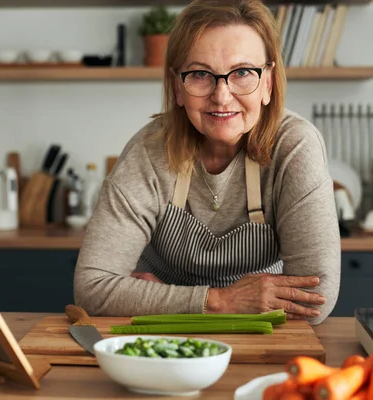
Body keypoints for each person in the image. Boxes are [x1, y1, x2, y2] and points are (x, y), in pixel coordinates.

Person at [74, 0, 340, 325]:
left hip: (263, 333)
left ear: (268, 83)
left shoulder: (295, 146)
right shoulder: (149, 151)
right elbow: (91, 286)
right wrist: (219, 302)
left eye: (242, 73)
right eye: (200, 74)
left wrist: (149, 299)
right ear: (177, 87)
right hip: (165, 334)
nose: (222, 96)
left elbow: (315, 299)